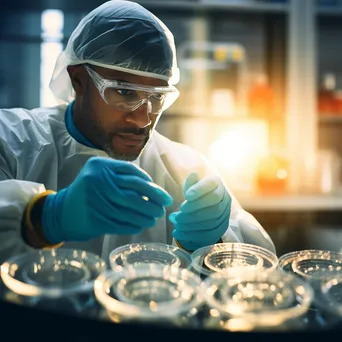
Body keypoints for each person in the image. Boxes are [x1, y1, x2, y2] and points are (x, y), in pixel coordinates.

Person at [0, 0, 275, 264]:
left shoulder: (186, 170)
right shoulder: (11, 141)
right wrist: (46, 217)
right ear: (78, 80)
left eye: (157, 97)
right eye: (124, 92)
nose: (143, 119)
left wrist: (216, 243)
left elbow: (259, 267)